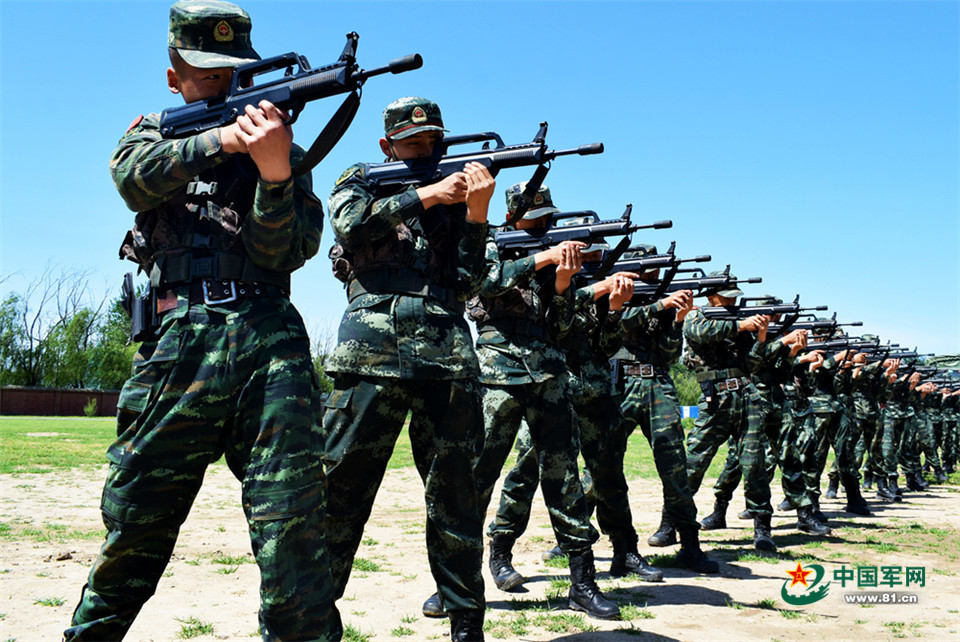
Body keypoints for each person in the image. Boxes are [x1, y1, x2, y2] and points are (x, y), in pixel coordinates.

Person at [64, 2, 342, 640]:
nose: (222, 82)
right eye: (205, 70)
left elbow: (287, 250)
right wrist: (221, 139)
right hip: (178, 344)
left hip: (271, 346)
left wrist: (274, 173)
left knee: (293, 526)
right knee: (137, 522)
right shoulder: (154, 133)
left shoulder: (281, 148)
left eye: (232, 70)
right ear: (174, 75)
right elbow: (132, 179)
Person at [322, 97, 491, 641]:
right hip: (371, 354)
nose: (426, 149)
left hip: (446, 358)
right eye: (414, 142)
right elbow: (351, 224)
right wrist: (425, 194)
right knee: (339, 489)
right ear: (387, 144)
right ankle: (311, 616)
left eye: (433, 140)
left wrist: (476, 215)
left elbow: (469, 282)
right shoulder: (363, 178)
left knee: (456, 498)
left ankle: (465, 621)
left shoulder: (455, 196)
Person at [463, 183, 620, 620]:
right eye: (537, 218)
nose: (546, 225)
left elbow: (565, 326)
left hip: (548, 374)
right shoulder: (488, 241)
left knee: (564, 477)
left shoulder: (553, 258)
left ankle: (582, 583)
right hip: (496, 371)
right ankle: (456, 581)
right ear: (513, 217)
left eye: (549, 218)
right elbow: (481, 281)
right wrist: (541, 258)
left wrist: (564, 281)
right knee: (477, 476)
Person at [484, 218, 664, 583]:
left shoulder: (590, 279)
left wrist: (614, 309)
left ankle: (624, 550)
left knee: (609, 475)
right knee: (524, 473)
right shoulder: (547, 276)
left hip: (596, 392)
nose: (586, 251)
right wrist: (585, 287)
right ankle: (501, 549)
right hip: (550, 388)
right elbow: (553, 330)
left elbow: (606, 346)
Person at [614, 245, 720, 572]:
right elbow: (613, 325)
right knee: (600, 468)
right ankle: (574, 541)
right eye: (650, 269)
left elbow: (671, 355)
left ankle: (689, 545)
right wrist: (657, 305)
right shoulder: (614, 295)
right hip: (618, 386)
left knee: (675, 466)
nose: (656, 275)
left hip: (657, 384)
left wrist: (677, 321)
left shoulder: (661, 303)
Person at [682, 272, 777, 551]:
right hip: (716, 398)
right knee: (694, 460)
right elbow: (699, 333)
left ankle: (762, 528)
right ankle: (672, 521)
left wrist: (759, 337)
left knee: (755, 464)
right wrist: (741, 325)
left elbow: (753, 365)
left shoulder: (739, 323)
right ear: (711, 297)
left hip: (747, 395)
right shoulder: (697, 316)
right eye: (726, 298)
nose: (733, 303)